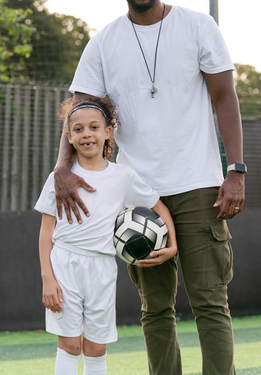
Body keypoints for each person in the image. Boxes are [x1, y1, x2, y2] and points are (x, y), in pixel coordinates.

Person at [53, 0, 245, 375]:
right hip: (137, 197)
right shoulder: (103, 42)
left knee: (210, 302)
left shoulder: (197, 26)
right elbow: (80, 111)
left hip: (199, 187)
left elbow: (224, 98)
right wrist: (62, 167)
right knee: (155, 309)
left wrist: (235, 169)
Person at [36, 97, 177, 375]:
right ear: (69, 136)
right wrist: (47, 279)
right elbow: (46, 231)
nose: (86, 134)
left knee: (97, 348)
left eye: (94, 127)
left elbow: (157, 205)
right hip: (65, 265)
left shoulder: (122, 176)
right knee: (70, 344)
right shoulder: (60, 177)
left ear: (107, 132)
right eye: (78, 129)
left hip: (102, 267)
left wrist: (172, 244)